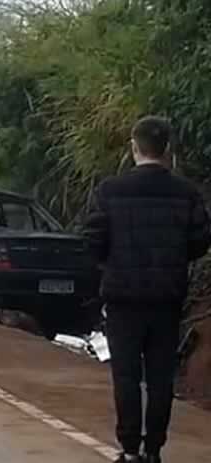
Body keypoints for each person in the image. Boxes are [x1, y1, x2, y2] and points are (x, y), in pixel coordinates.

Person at [83, 116, 211, 463]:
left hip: (122, 296)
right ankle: (153, 450)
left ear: (133, 147)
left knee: (125, 375)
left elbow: (93, 240)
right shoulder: (186, 193)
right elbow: (200, 240)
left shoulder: (110, 190)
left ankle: (128, 449)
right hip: (167, 298)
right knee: (159, 378)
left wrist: (110, 264)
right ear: (167, 149)